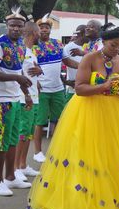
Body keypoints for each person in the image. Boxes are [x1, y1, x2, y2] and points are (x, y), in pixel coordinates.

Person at [24, 23, 119, 209]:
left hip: (115, 114)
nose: (117, 49)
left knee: (113, 156)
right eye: (113, 45)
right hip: (87, 112)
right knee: (87, 154)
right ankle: (83, 201)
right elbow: (80, 88)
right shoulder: (89, 59)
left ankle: (114, 200)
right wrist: (105, 86)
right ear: (103, 42)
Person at [0, 8, 32, 196]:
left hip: (14, 98)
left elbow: (20, 73)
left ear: (23, 29)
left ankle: (11, 177)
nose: (15, 28)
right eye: (12, 25)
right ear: (7, 26)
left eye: (19, 26)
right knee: (2, 140)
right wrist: (16, 78)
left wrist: (26, 93)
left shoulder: (22, 45)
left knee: (13, 139)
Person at [32, 15, 79, 163]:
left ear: (51, 30)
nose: (44, 30)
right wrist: (34, 83)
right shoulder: (32, 46)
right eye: (41, 27)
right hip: (42, 90)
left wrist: (83, 66)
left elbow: (67, 61)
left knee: (59, 119)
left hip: (58, 88)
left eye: (47, 27)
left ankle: (58, 149)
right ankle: (37, 152)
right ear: (37, 30)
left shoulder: (58, 44)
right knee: (40, 121)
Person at [14, 22, 42, 182]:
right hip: (23, 98)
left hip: (34, 97)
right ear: (32, 32)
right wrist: (26, 94)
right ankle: (15, 168)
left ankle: (23, 165)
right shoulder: (20, 51)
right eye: (38, 31)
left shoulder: (31, 52)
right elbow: (18, 73)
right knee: (22, 134)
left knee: (29, 133)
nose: (40, 34)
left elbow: (31, 73)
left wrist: (39, 76)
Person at [63, 25, 88, 102]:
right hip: (73, 89)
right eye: (87, 32)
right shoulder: (68, 47)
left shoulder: (90, 46)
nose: (89, 35)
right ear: (81, 34)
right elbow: (61, 65)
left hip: (88, 88)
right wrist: (67, 82)